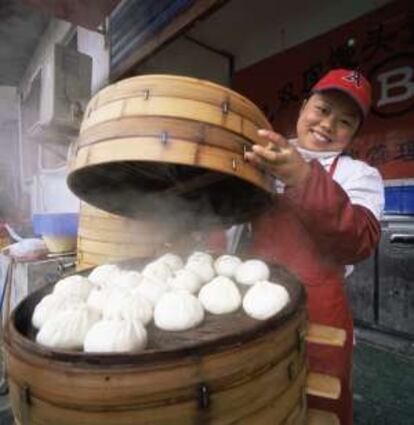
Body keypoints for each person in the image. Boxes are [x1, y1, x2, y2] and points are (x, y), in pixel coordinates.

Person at [241, 69, 384, 425]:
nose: (327, 125)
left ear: (353, 134)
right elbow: (227, 222)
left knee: (320, 407)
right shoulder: (262, 155)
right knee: (258, 400)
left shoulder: (359, 175)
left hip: (321, 312)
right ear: (304, 106)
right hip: (252, 303)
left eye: (345, 121)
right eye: (321, 109)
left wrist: (301, 178)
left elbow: (360, 240)